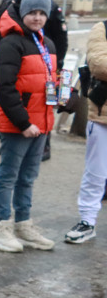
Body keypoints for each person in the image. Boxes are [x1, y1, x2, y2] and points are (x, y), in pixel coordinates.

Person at [0, 0, 58, 253]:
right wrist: (23, 122)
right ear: (23, 13)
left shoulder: (46, 44)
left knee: (28, 177)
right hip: (21, 125)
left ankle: (23, 224)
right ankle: (1, 227)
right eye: (32, 12)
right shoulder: (11, 43)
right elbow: (5, 88)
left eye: (42, 13)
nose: (37, 18)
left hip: (42, 124)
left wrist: (62, 98)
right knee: (8, 175)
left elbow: (49, 81)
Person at [64, 19, 107, 244]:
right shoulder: (102, 28)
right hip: (102, 117)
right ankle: (87, 221)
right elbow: (99, 65)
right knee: (95, 173)